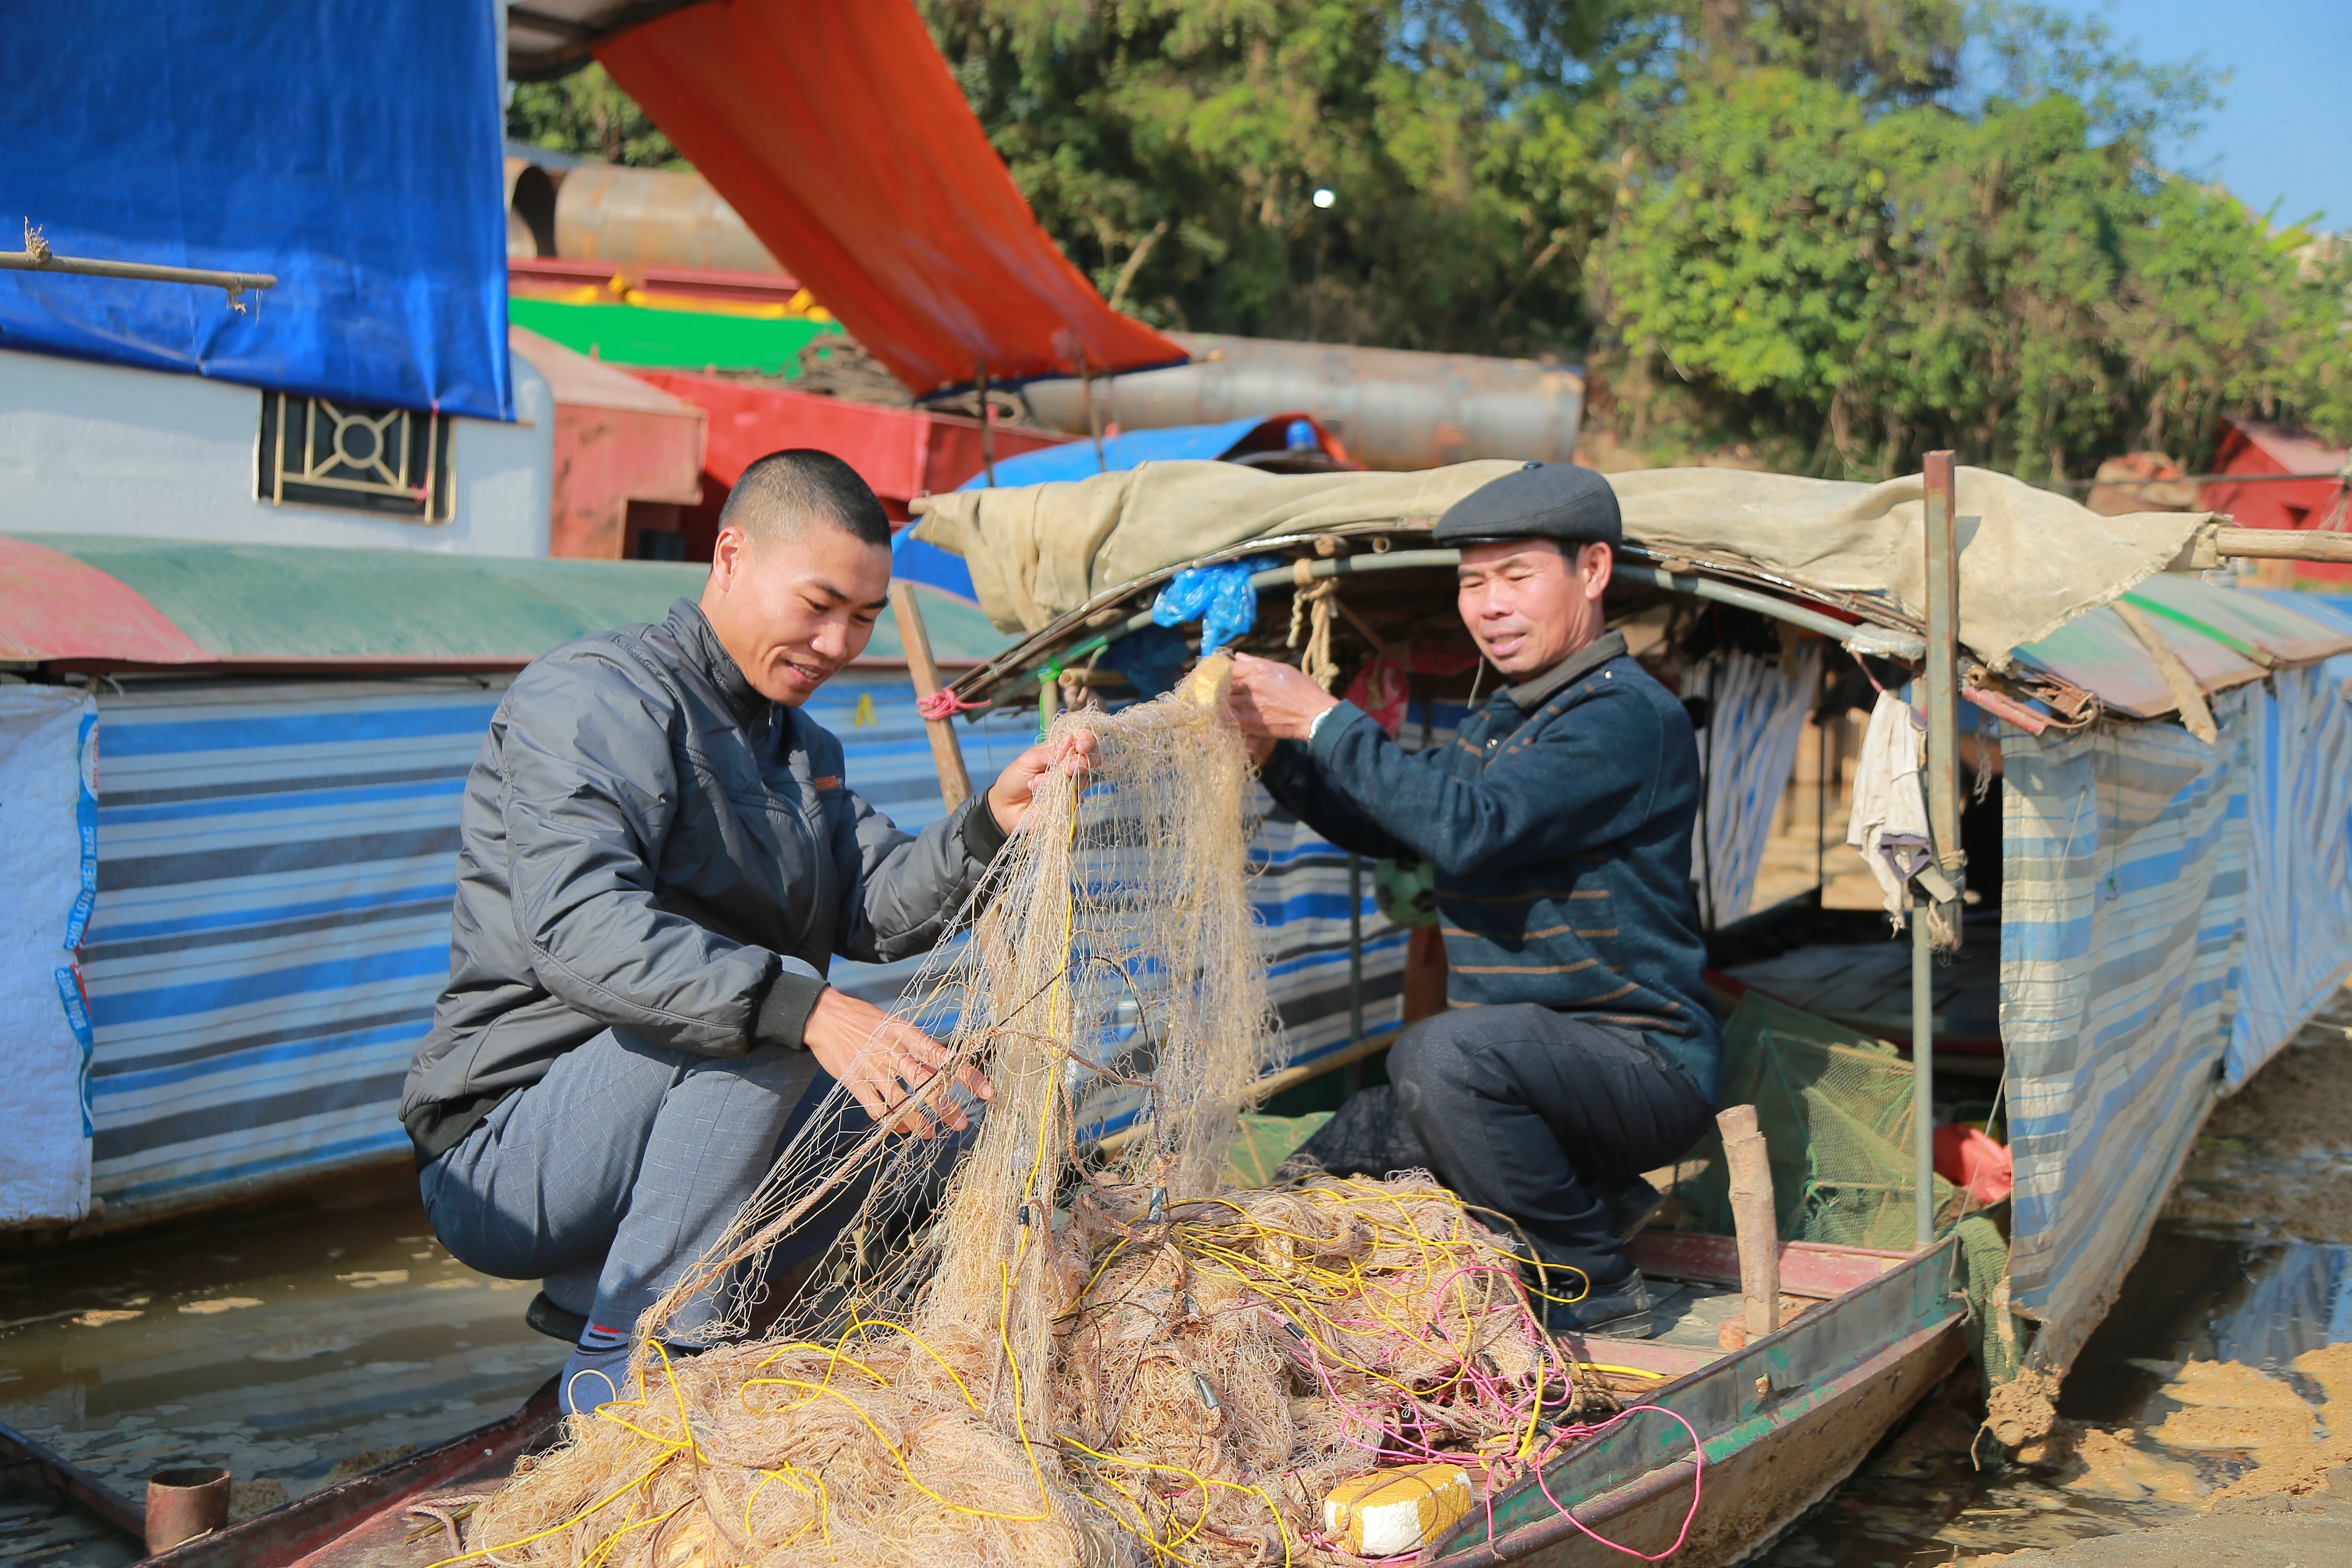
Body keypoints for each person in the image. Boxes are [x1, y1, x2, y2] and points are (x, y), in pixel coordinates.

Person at [398, 449, 1087, 1411]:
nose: (841, 641)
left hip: (688, 1118)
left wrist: (991, 824)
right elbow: (580, 928)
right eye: (819, 604)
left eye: (863, 618)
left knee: (947, 1113)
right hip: (510, 1148)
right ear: (730, 557)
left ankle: (751, 1310)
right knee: (774, 1022)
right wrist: (803, 1010)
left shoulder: (803, 750)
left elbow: (876, 902)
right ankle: (640, 1369)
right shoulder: (596, 697)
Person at [1227, 462, 1719, 1338]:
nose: (1490, 605)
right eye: (1472, 582)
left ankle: (1596, 1285)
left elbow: (1473, 829)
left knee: (1442, 1057)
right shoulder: (1505, 721)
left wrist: (1325, 718)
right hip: (1523, 1072)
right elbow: (1406, 827)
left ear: (1594, 572)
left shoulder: (1625, 718)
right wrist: (1281, 758)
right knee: (1316, 1182)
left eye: (1517, 577)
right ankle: (1585, 1201)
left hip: (1640, 1068)